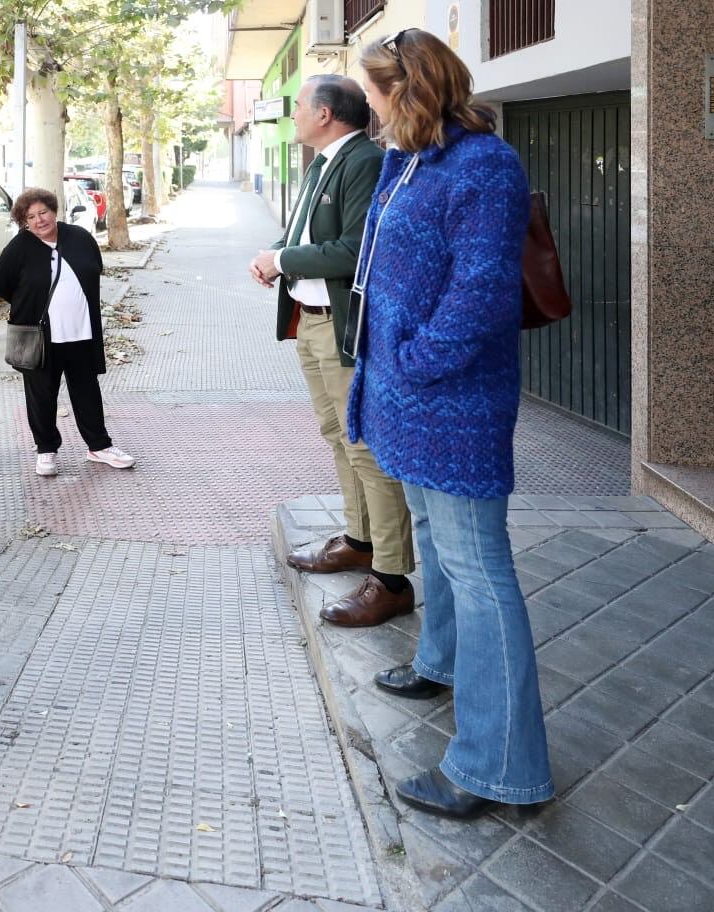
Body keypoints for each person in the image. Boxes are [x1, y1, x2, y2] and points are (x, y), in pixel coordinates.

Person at [347, 29, 553, 818]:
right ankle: (437, 661)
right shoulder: (407, 162)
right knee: (434, 540)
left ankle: (497, 767)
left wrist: (417, 359)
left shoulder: (485, 166)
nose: (369, 111)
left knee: (480, 571)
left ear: (410, 91)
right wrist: (390, 366)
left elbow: (481, 291)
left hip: (452, 401)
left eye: (374, 97)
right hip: (405, 393)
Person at [249, 75, 416, 628]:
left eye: (299, 106)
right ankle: (359, 539)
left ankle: (391, 578)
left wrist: (285, 261)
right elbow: (300, 232)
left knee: (364, 445)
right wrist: (275, 252)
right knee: (337, 436)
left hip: (344, 328)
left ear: (324, 113)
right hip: (311, 323)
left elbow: (351, 250)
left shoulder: (363, 161)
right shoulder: (324, 161)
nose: (293, 114)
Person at [0, 187, 135, 477]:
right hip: (41, 337)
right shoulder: (20, 247)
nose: (39, 220)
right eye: (31, 216)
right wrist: (28, 303)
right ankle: (46, 450)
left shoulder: (79, 238)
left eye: (43, 212)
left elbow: (95, 267)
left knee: (87, 391)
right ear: (24, 222)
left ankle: (99, 446)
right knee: (42, 394)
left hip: (80, 333)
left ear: (54, 211)